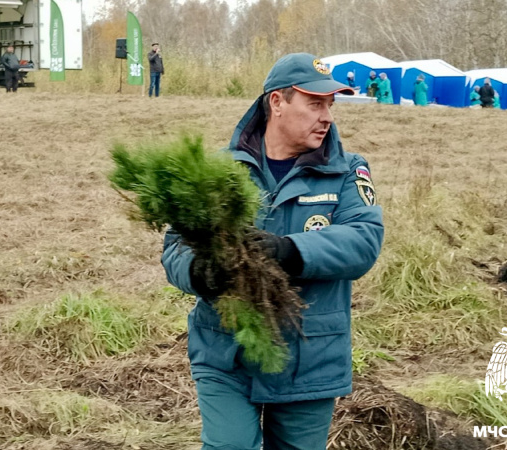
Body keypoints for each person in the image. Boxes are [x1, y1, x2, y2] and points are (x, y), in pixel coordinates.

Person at [161, 53, 384, 450]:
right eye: (315, 104)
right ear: (276, 103)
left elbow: (363, 241)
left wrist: (287, 250)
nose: (327, 117)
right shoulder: (220, 172)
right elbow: (176, 247)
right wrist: (200, 273)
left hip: (309, 358)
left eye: (330, 105)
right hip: (226, 352)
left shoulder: (348, 171)